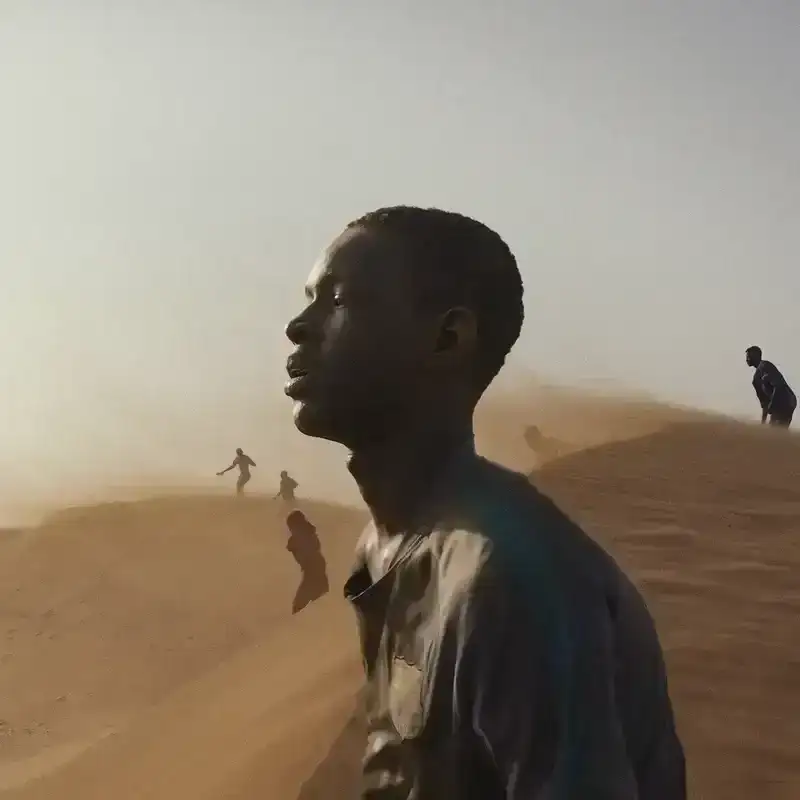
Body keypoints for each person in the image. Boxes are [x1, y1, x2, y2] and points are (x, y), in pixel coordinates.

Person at [284, 206, 685, 799]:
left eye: (337, 300)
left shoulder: (509, 577)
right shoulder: (386, 544)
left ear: (447, 337)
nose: (298, 326)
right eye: (309, 299)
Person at [745, 345, 797, 428]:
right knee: (773, 430)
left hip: (786, 400)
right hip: (779, 405)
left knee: (777, 430)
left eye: (748, 357)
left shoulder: (765, 365)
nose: (747, 359)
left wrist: (772, 406)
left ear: (756, 356)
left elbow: (778, 386)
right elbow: (765, 405)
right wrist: (762, 424)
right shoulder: (755, 380)